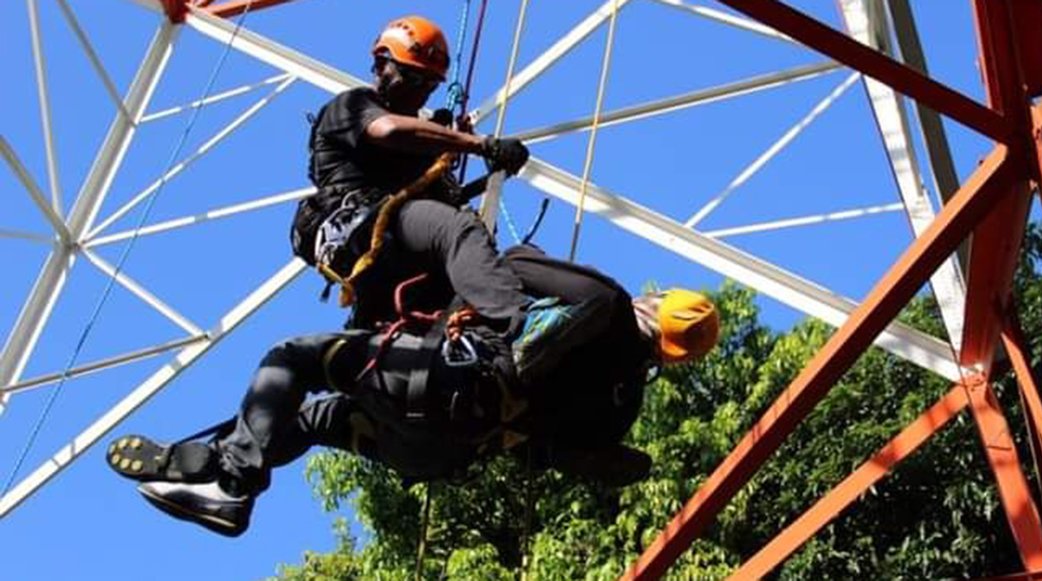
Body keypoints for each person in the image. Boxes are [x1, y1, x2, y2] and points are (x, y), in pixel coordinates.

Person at [106, 253, 720, 537]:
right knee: (317, 420)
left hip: (440, 380)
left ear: (655, 303)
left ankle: (234, 483)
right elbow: (548, 454)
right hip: (440, 453)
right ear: (672, 355)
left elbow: (507, 266)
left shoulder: (607, 301)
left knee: (294, 359)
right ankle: (219, 470)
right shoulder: (623, 405)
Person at [289, 14, 532, 336]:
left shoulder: (421, 148)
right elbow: (388, 129)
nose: (421, 92)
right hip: (364, 227)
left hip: (408, 244)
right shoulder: (352, 106)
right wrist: (480, 145)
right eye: (413, 78)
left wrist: (489, 173)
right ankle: (520, 326)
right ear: (381, 65)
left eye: (430, 84)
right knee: (456, 228)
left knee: (513, 263)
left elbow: (448, 200)